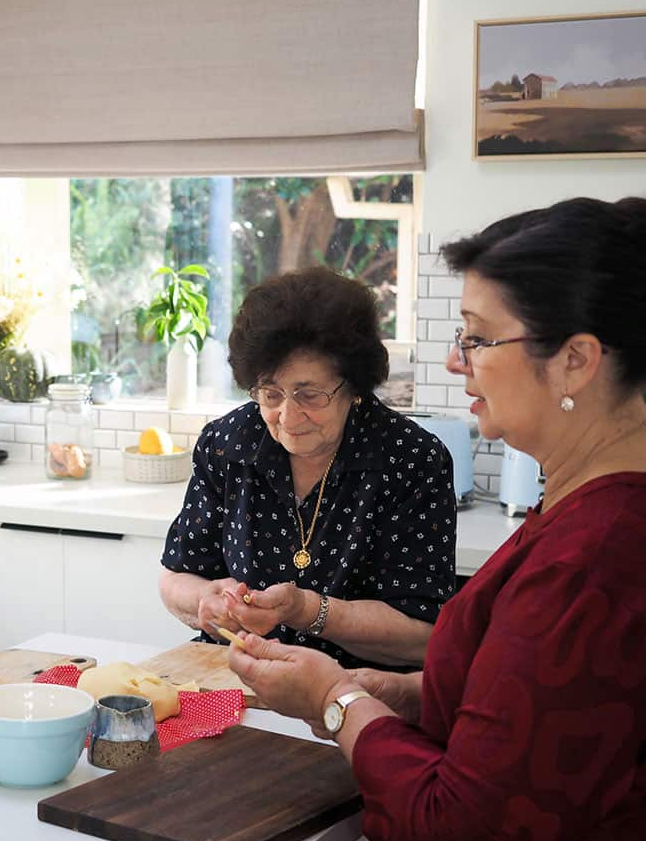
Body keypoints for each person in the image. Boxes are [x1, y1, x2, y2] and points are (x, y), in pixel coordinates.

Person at [228, 197, 646, 841]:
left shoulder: (595, 559)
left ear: (575, 362)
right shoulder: (577, 509)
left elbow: (466, 834)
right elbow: (542, 715)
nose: (457, 362)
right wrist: (405, 694)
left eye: (479, 339)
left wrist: (334, 698)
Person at [160, 266, 456, 670]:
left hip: (355, 696)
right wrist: (208, 600)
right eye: (271, 393)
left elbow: (421, 637)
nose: (288, 416)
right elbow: (175, 577)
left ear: (353, 387)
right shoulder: (228, 444)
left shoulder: (409, 460)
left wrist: (307, 611)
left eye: (309, 395)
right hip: (236, 680)